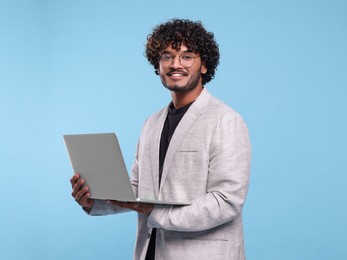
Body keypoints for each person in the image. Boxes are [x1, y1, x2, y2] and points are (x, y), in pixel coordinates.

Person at [70, 18, 251, 260]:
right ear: (158, 65)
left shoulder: (226, 120)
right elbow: (137, 190)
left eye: (187, 56)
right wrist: (93, 200)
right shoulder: (151, 123)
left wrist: (157, 213)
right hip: (151, 252)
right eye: (167, 56)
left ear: (204, 65)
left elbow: (226, 201)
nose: (176, 64)